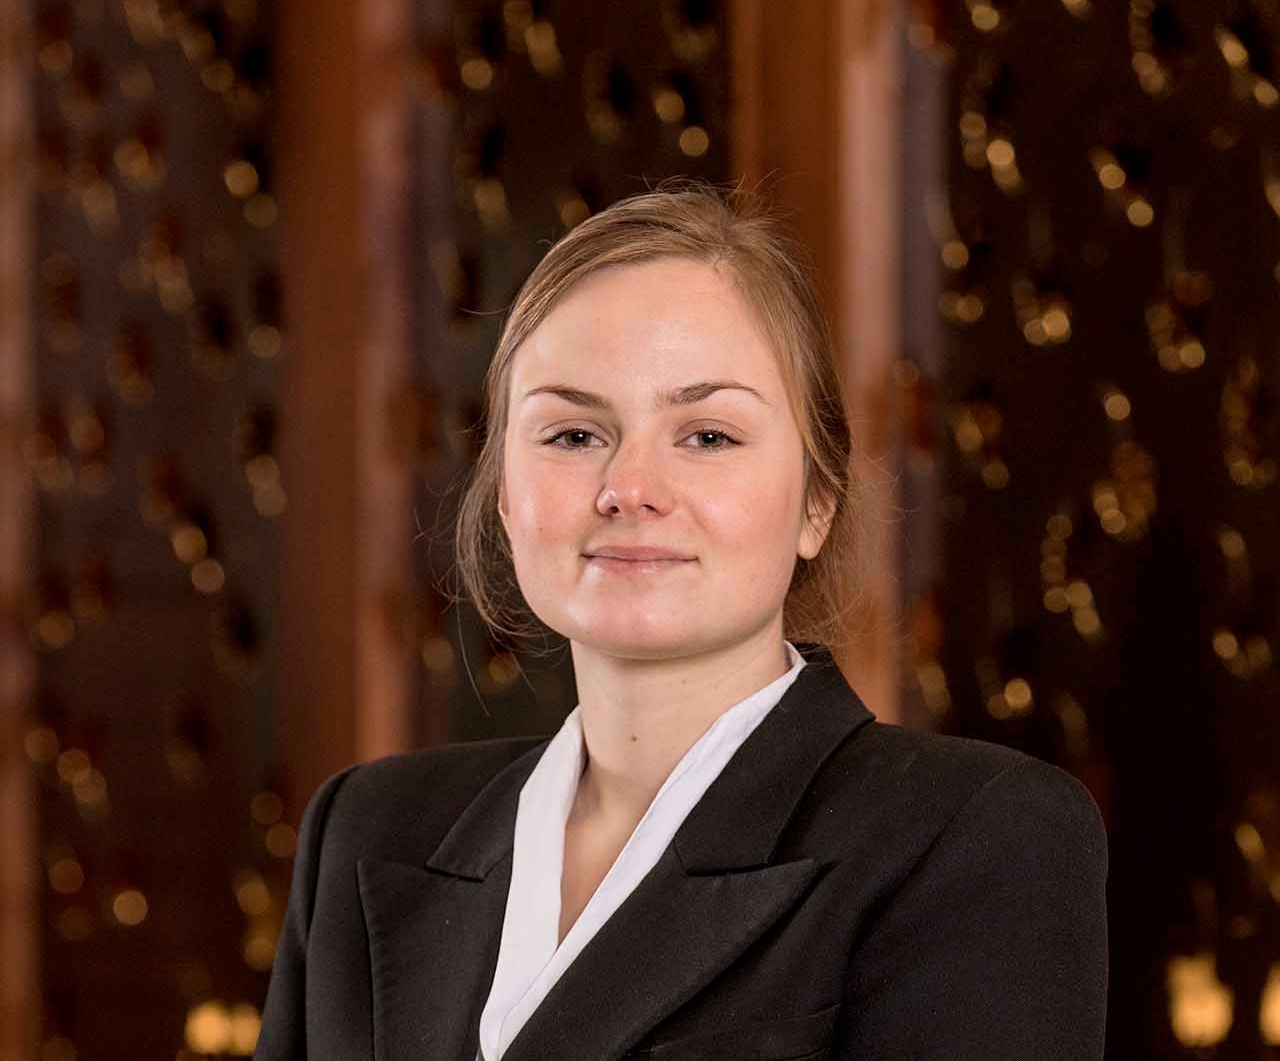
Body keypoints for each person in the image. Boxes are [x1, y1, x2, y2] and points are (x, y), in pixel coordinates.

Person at [253, 181, 1108, 1061]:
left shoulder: (975, 837)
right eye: (574, 435)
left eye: (707, 436)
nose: (631, 488)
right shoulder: (366, 829)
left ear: (818, 499)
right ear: (505, 495)